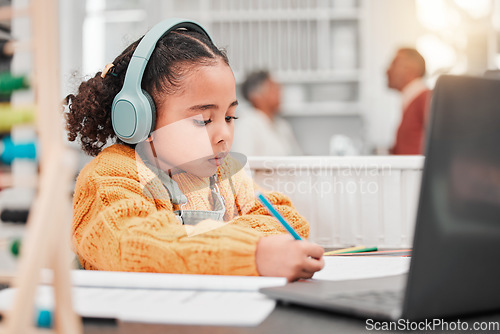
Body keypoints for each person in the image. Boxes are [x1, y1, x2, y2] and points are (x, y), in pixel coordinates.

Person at [63, 19, 323, 282]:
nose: (224, 134)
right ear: (140, 119)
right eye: (203, 120)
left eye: (230, 117)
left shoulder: (225, 175)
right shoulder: (111, 176)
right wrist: (250, 253)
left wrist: (209, 243)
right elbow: (137, 246)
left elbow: (288, 221)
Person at [231, 70, 303, 156]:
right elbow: (241, 165)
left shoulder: (282, 125)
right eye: (273, 88)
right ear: (255, 96)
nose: (279, 92)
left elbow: (297, 158)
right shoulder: (247, 125)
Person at [386, 47, 432, 155]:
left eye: (394, 63)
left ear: (411, 68)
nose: (387, 70)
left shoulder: (425, 99)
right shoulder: (412, 99)